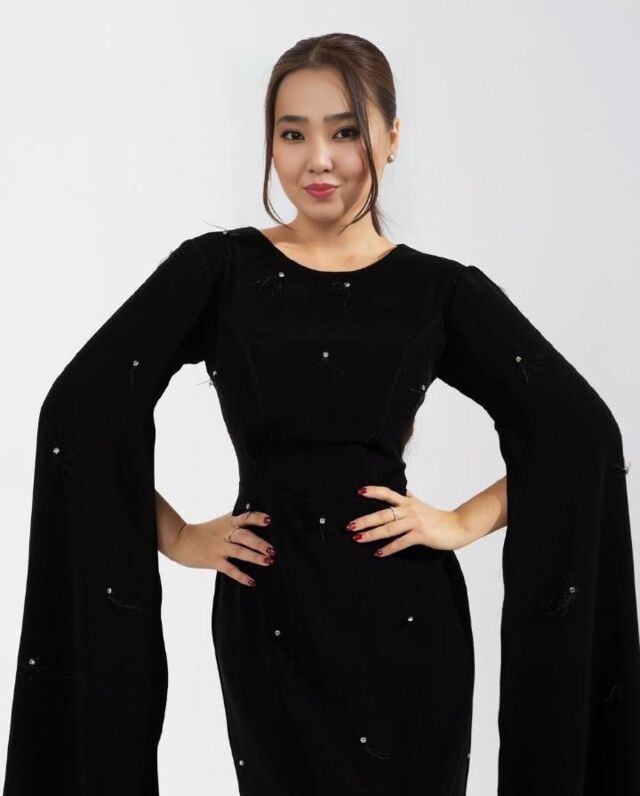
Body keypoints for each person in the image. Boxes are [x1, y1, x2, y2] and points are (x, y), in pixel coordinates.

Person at [3, 32, 639, 796]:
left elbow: (580, 433)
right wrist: (176, 535)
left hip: (406, 621)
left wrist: (459, 523)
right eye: (292, 133)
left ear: (391, 137)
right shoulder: (219, 271)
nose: (318, 160)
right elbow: (79, 411)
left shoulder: (439, 291)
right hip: (271, 614)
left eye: (344, 131)